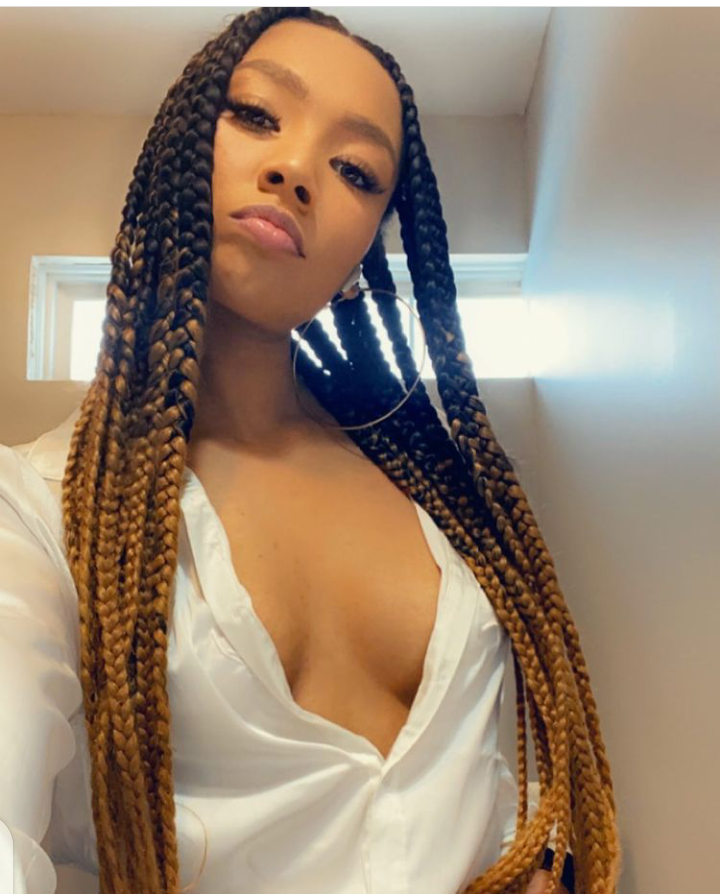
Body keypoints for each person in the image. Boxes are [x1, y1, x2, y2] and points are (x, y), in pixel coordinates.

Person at [0, 7, 621, 894]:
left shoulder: (445, 504)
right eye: (257, 115)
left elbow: (511, 776)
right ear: (181, 142)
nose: (295, 170)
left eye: (356, 171)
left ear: (369, 241)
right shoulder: (35, 511)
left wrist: (543, 860)